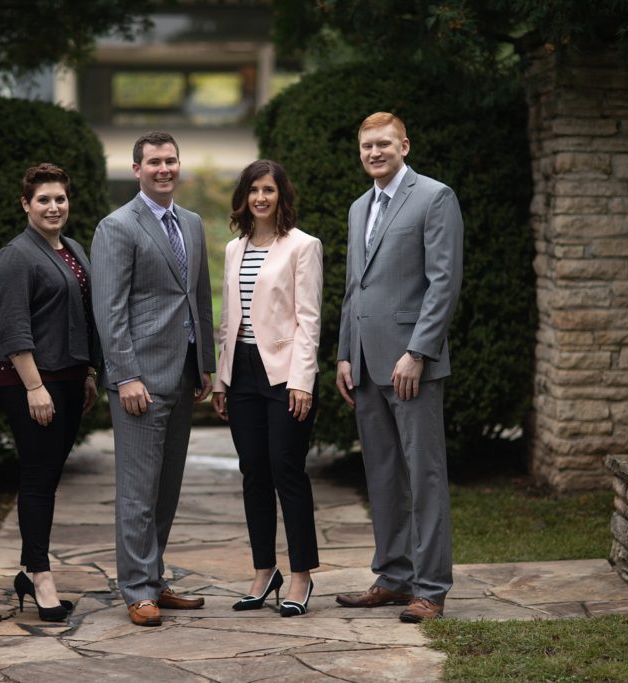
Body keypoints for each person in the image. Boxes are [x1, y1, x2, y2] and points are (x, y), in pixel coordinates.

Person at [334, 112, 464, 623]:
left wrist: (419, 351)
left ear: (404, 144)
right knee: (383, 475)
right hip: (366, 365)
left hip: (413, 365)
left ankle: (430, 588)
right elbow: (354, 287)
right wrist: (346, 353)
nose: (374, 152)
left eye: (383, 143)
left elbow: (443, 282)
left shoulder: (435, 197)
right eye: (366, 145)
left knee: (424, 476)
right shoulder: (358, 206)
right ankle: (393, 577)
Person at [91, 131, 216, 627]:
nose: (164, 168)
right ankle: (137, 589)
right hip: (139, 380)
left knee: (166, 488)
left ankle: (154, 578)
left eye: (171, 160)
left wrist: (204, 362)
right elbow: (110, 309)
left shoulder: (192, 223)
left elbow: (199, 298)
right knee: (138, 491)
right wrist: (124, 376)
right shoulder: (117, 227)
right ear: (137, 169)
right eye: (154, 162)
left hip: (183, 374)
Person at [211, 160, 323, 617]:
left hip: (284, 374)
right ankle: (264, 571)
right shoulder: (233, 249)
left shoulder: (303, 246)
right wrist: (221, 378)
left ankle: (301, 576)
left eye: (269, 189)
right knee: (252, 470)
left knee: (286, 469)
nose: (261, 197)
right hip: (241, 373)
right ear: (244, 196)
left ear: (282, 196)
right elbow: (227, 320)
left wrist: (302, 380)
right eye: (254, 189)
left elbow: (309, 319)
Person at [0, 163, 101, 622]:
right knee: (38, 478)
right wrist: (35, 387)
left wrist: (89, 372)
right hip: (31, 382)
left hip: (70, 378)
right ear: (26, 205)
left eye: (60, 199)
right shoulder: (16, 256)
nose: (54, 207)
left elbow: (81, 314)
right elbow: (14, 327)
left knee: (49, 478)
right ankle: (40, 574)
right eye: (43, 200)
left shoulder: (73, 248)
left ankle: (26, 568)